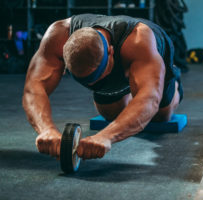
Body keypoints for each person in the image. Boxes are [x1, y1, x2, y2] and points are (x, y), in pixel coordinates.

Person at [23, 14, 183, 160]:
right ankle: (133, 90)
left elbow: (150, 100)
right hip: (117, 67)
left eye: (97, 77)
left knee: (160, 117)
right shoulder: (58, 36)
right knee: (111, 115)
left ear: (111, 51)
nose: (92, 84)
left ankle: (171, 83)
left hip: (151, 53)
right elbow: (33, 88)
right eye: (88, 80)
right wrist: (46, 129)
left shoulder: (138, 40)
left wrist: (106, 136)